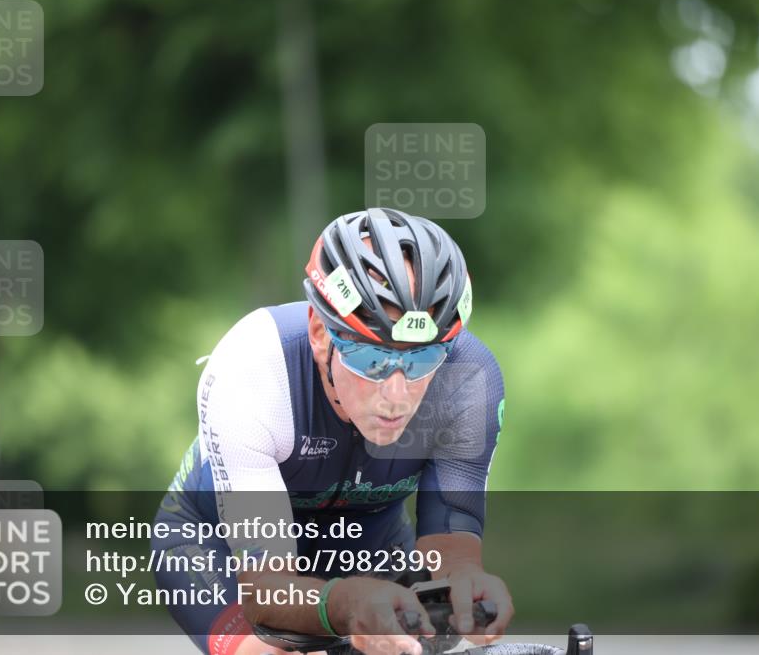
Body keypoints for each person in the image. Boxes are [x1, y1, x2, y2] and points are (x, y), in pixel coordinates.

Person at [153, 208, 511, 655]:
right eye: (372, 360)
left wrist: (467, 585)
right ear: (320, 333)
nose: (397, 395)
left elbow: (451, 549)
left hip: (370, 545)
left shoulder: (466, 377)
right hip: (219, 550)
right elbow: (268, 592)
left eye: (421, 361)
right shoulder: (254, 369)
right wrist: (347, 605)